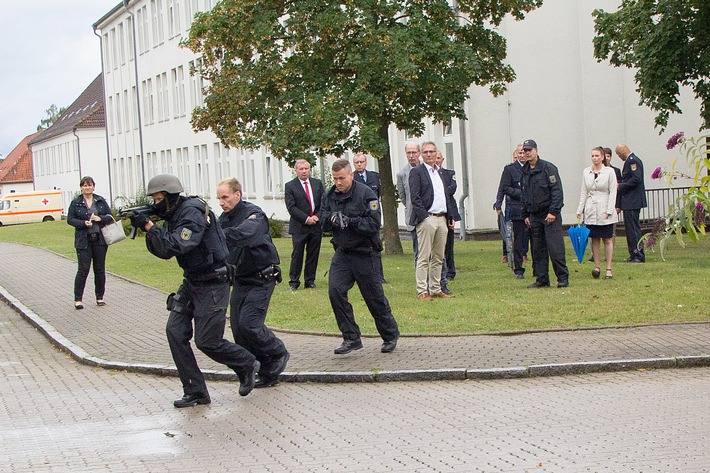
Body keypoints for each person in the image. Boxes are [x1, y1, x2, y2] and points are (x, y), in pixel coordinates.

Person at [129, 174, 259, 408]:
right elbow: (164, 251)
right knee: (175, 331)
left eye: (158, 199)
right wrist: (150, 229)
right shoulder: (172, 214)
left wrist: (149, 227)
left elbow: (177, 244)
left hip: (213, 282)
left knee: (207, 340)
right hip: (192, 281)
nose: (155, 204)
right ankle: (195, 390)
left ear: (170, 197)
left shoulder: (191, 213)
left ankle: (246, 362)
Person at [320, 159, 400, 354]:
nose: (338, 182)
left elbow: (373, 224)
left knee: (374, 297)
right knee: (335, 291)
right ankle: (351, 337)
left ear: (351, 175)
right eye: (335, 178)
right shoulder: (329, 196)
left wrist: (351, 221)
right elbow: (321, 220)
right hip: (343, 253)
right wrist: (331, 218)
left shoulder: (366, 194)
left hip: (365, 253)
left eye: (342, 178)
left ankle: (390, 335)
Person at [217, 178, 290, 388]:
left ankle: (278, 352)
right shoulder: (224, 219)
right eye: (219, 198)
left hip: (262, 278)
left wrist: (217, 235)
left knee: (250, 324)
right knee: (239, 330)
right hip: (241, 280)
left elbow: (243, 235)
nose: (222, 202)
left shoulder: (254, 215)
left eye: (225, 197)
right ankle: (266, 371)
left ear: (237, 195)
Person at [408, 141, 455, 300]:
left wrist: (450, 216)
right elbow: (415, 198)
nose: (429, 155)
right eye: (426, 152)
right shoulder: (417, 172)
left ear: (436, 154)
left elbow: (445, 196)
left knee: (439, 256)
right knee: (424, 256)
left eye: (432, 152)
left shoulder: (439, 173)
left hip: (442, 218)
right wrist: (425, 218)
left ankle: (435, 288)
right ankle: (422, 290)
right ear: (421, 154)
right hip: (427, 218)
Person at [520, 139, 569, 288]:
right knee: (537, 249)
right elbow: (524, 194)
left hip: (549, 214)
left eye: (529, 150)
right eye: (525, 151)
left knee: (555, 248)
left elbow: (556, 191)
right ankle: (542, 279)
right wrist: (525, 214)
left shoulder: (548, 168)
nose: (527, 153)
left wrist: (553, 211)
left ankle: (562, 278)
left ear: (536, 150)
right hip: (534, 215)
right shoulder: (525, 171)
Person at [67, 176, 114, 309]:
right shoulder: (76, 202)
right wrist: (83, 223)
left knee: (99, 269)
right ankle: (78, 299)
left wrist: (100, 218)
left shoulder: (100, 201)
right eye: (85, 185)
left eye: (90, 185)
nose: (87, 188)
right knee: (83, 269)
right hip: (83, 240)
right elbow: (70, 219)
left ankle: (100, 297)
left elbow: (110, 217)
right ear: (81, 187)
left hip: (99, 239)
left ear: (93, 187)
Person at [576, 146, 618, 280]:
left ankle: (609, 268)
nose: (594, 158)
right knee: (594, 238)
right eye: (592, 156)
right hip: (591, 208)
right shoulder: (586, 172)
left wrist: (610, 209)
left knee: (607, 238)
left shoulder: (609, 172)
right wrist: (580, 209)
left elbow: (613, 192)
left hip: (604, 206)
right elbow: (584, 191)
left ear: (602, 157)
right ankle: (597, 266)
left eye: (597, 156)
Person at [284, 159, 324, 290]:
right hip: (299, 226)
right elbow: (291, 207)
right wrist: (306, 218)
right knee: (297, 254)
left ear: (310, 169)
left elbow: (324, 203)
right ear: (296, 171)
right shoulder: (290, 186)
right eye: (301, 169)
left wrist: (317, 217)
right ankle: (294, 282)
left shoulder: (317, 184)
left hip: (315, 225)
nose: (304, 171)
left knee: (313, 254)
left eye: (306, 169)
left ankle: (310, 281)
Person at [494, 144, 528, 279]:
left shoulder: (535, 168)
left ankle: (538, 268)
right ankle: (518, 268)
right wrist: (498, 204)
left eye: (524, 152)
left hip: (533, 209)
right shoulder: (510, 170)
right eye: (520, 153)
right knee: (518, 240)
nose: (522, 155)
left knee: (535, 240)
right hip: (517, 208)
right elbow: (504, 187)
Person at [353, 152, 386, 283]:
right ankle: (357, 277)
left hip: (373, 217)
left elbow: (378, 196)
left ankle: (379, 276)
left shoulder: (374, 176)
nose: (359, 164)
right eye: (357, 162)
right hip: (359, 217)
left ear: (366, 162)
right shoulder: (352, 178)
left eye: (362, 162)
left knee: (376, 246)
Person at [615, 143, 647, 263]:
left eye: (618, 154)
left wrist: (621, 186)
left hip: (633, 200)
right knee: (629, 229)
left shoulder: (633, 161)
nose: (619, 157)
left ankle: (638, 254)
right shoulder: (629, 161)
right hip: (629, 201)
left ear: (622, 152)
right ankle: (633, 253)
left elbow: (636, 179)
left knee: (633, 229)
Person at [435, 150, 460, 291]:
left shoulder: (449, 173)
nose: (437, 160)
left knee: (449, 244)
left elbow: (452, 189)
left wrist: (440, 191)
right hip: (436, 212)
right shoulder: (431, 175)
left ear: (442, 159)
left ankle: (451, 270)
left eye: (439, 158)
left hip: (449, 212)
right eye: (435, 158)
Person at [396, 142, 421, 261]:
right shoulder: (402, 174)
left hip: (430, 214)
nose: (411, 156)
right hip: (413, 217)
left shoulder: (426, 169)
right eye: (408, 153)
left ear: (419, 153)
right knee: (418, 249)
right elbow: (403, 197)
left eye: (414, 152)